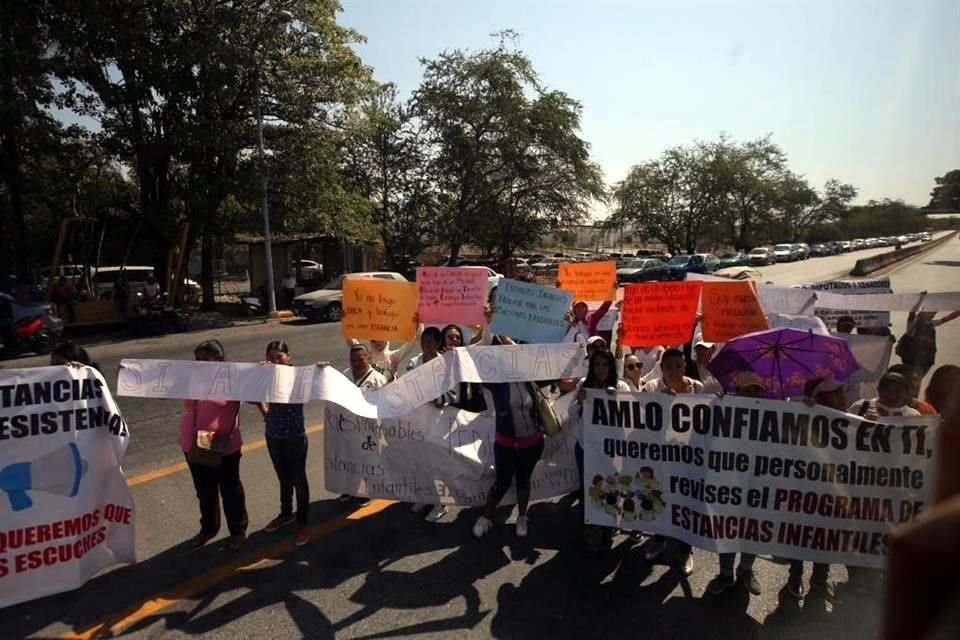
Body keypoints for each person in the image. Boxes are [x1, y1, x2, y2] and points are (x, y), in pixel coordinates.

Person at [472, 335, 546, 540]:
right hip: (505, 443)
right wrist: (489, 327)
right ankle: (485, 517)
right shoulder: (495, 382)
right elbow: (476, 358)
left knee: (523, 481)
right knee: (502, 482)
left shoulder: (530, 377)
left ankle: (522, 517)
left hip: (532, 442)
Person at [179, 340, 248, 550]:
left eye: (204, 359)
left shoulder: (234, 379)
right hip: (193, 443)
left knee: (230, 490)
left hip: (223, 445)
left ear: (219, 360)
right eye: (197, 359)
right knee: (204, 490)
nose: (198, 363)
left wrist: (261, 372)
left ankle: (238, 531)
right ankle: (208, 528)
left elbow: (257, 394)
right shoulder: (193, 379)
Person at [641, 349, 704, 575]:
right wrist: (661, 405)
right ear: (662, 368)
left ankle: (685, 549)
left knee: (685, 502)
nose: (675, 371)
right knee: (659, 496)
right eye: (669, 367)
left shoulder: (698, 388)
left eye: (679, 366)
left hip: (689, 457)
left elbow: (707, 422)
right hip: (660, 456)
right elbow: (640, 419)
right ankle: (659, 539)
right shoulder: (651, 389)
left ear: (685, 366)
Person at [785, 376, 846, 600]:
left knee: (825, 534)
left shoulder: (852, 418)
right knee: (800, 533)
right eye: (835, 394)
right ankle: (795, 574)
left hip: (832, 492)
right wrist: (803, 406)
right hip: (803, 488)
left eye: (841, 392)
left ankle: (820, 577)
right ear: (819, 398)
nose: (841, 397)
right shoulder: (802, 413)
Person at [707, 371, 765, 596]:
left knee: (753, 527)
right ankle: (725, 573)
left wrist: (808, 407)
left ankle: (746, 569)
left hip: (759, 481)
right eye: (749, 389)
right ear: (737, 391)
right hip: (729, 479)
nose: (754, 394)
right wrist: (717, 405)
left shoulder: (775, 411)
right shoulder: (723, 407)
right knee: (728, 525)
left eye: (758, 390)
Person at [569, 349, 631, 551]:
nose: (601, 369)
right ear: (591, 367)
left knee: (611, 489)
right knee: (589, 491)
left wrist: (617, 399)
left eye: (605, 364)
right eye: (597, 365)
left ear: (611, 366)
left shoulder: (621, 386)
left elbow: (632, 416)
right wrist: (579, 399)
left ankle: (608, 529)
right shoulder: (583, 385)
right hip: (587, 449)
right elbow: (570, 414)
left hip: (612, 452)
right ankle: (589, 533)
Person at [319, 344, 388, 503]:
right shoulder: (345, 375)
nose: (356, 362)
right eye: (353, 360)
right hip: (348, 429)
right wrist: (322, 372)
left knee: (366, 461)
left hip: (368, 430)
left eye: (360, 359)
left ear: (368, 358)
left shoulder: (378, 379)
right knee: (349, 459)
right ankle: (349, 489)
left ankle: (366, 491)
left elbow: (385, 406)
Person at [257, 340, 310, 546]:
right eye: (271, 356)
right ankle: (286, 513)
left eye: (279, 356)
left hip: (295, 436)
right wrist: (265, 413)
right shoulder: (265, 375)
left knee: (299, 480)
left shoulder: (299, 376)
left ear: (289, 357)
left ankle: (302, 523)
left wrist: (321, 370)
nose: (275, 360)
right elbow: (253, 395)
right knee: (283, 478)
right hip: (273, 436)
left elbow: (317, 385)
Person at [404, 327, 455, 522]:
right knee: (420, 461)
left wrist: (439, 399)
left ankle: (441, 503)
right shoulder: (413, 363)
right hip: (418, 420)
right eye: (423, 342)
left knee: (436, 463)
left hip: (438, 421)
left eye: (430, 342)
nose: (426, 346)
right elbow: (407, 388)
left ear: (437, 343)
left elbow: (453, 392)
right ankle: (426, 496)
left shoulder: (445, 364)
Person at [897, 306, 960, 378]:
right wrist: (919, 301)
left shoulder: (931, 324)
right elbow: (911, 316)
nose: (933, 315)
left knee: (916, 380)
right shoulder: (913, 325)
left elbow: (947, 318)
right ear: (921, 313)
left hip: (926, 362)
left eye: (934, 313)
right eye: (930, 313)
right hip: (913, 362)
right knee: (912, 380)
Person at [442, 324, 486, 412]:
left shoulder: (466, 356)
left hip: (466, 406)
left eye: (458, 338)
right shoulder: (436, 359)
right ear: (443, 340)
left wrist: (487, 323)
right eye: (450, 337)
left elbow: (485, 340)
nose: (454, 340)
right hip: (444, 408)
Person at [848, 370, 922, 419]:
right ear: (879, 390)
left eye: (898, 392)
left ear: (907, 393)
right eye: (888, 392)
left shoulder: (914, 417)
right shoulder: (860, 407)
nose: (892, 396)